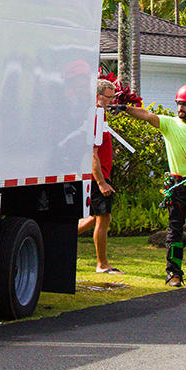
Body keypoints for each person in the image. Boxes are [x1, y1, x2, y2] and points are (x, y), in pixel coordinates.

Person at [120, 85, 186, 287]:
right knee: (175, 230)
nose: (180, 108)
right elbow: (146, 115)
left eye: (185, 104)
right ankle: (173, 273)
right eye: (179, 103)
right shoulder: (169, 124)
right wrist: (125, 108)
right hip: (178, 185)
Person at [78, 79, 119, 274]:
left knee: (95, 218)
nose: (111, 101)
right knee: (104, 218)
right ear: (97, 96)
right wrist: (101, 182)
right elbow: (91, 154)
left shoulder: (100, 117)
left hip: (102, 175)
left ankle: (61, 236)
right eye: (108, 97)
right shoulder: (95, 116)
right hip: (97, 177)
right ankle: (102, 264)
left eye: (113, 97)